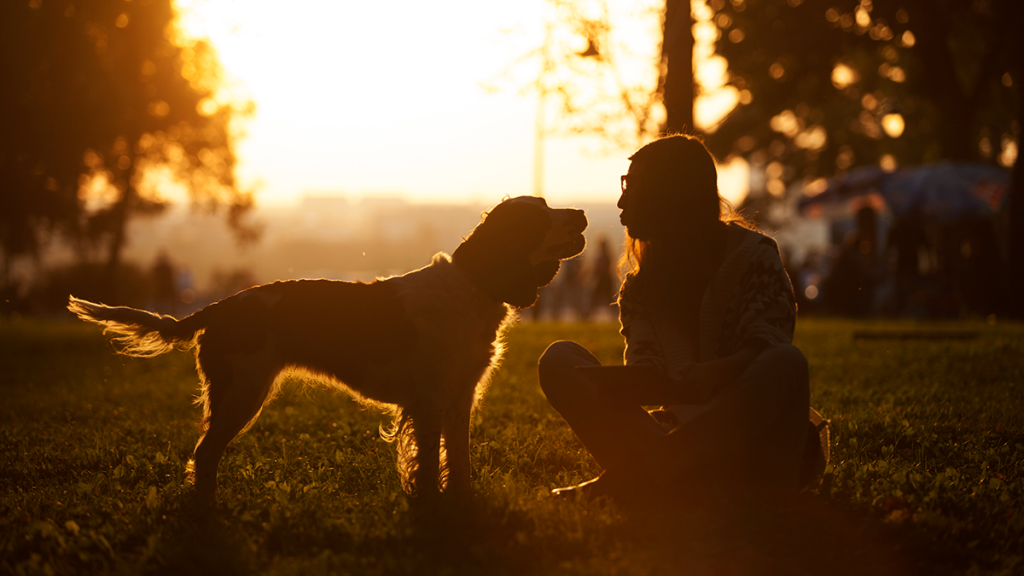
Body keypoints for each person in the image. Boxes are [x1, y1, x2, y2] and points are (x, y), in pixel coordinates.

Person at [538, 135, 819, 504]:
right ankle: (676, 473)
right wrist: (634, 383)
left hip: (756, 449)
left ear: (668, 191)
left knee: (787, 363)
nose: (621, 200)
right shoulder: (639, 288)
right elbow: (647, 365)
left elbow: (768, 343)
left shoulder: (755, 256)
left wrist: (720, 371)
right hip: (678, 431)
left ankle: (647, 473)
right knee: (560, 360)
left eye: (631, 185)